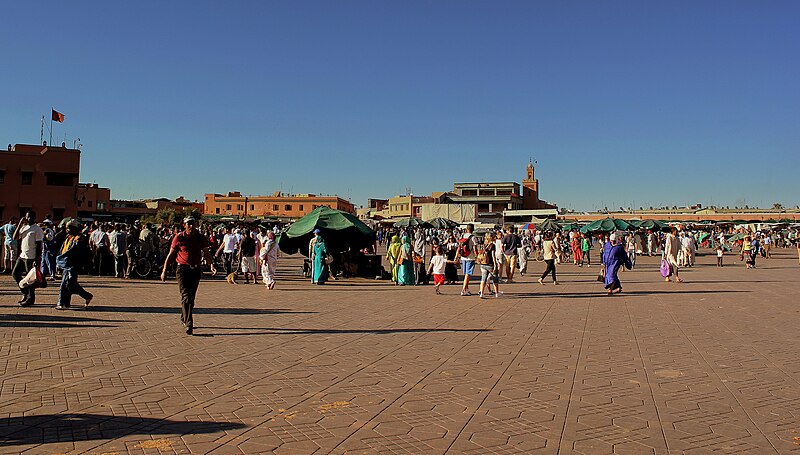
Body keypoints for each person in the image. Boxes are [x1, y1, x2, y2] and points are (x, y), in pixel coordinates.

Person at [160, 217, 216, 335]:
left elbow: (206, 253)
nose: (191, 226)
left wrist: (211, 265)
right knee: (186, 296)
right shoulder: (179, 238)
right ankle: (189, 323)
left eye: (193, 224)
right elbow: (171, 255)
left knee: (191, 297)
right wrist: (164, 270)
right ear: (184, 225)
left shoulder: (200, 237)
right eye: (189, 224)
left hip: (195, 270)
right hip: (182, 269)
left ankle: (184, 316)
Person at [55, 220, 93, 310]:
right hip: (66, 264)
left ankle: (63, 302)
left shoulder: (79, 239)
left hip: (73, 264)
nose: (67, 230)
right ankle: (84, 297)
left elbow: (74, 252)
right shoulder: (68, 238)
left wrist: (62, 258)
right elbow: (62, 250)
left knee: (67, 283)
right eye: (67, 228)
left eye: (69, 228)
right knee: (69, 284)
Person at [12, 211, 44, 306]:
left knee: (30, 279)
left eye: (30, 217)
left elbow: (39, 245)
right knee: (15, 274)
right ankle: (25, 292)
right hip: (22, 256)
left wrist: (37, 259)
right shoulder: (24, 227)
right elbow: (15, 237)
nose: (28, 219)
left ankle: (30, 299)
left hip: (31, 257)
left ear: (34, 218)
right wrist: (20, 225)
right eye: (27, 217)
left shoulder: (37, 229)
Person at [477, 232, 501, 299]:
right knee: (495, 278)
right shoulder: (492, 245)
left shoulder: (485, 244)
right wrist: (495, 265)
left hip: (483, 263)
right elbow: (493, 256)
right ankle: (497, 292)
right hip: (490, 264)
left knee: (483, 278)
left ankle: (482, 292)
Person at [459, 224, 477, 296]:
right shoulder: (473, 237)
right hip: (470, 257)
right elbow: (475, 249)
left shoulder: (463, 236)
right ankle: (463, 290)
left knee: (466, 274)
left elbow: (459, 246)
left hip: (463, 257)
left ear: (466, 229)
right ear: (473, 229)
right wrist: (477, 256)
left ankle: (466, 289)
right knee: (468, 274)